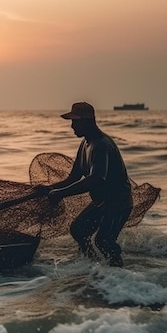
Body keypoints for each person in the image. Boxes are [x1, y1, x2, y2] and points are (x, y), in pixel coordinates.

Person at [37, 102, 133, 267]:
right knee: (78, 231)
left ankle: (118, 279)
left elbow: (95, 179)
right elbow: (74, 177)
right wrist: (50, 189)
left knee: (104, 241)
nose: (72, 126)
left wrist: (60, 194)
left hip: (118, 202)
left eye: (75, 121)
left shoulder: (102, 145)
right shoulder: (85, 144)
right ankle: (93, 266)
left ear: (88, 121)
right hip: (102, 202)